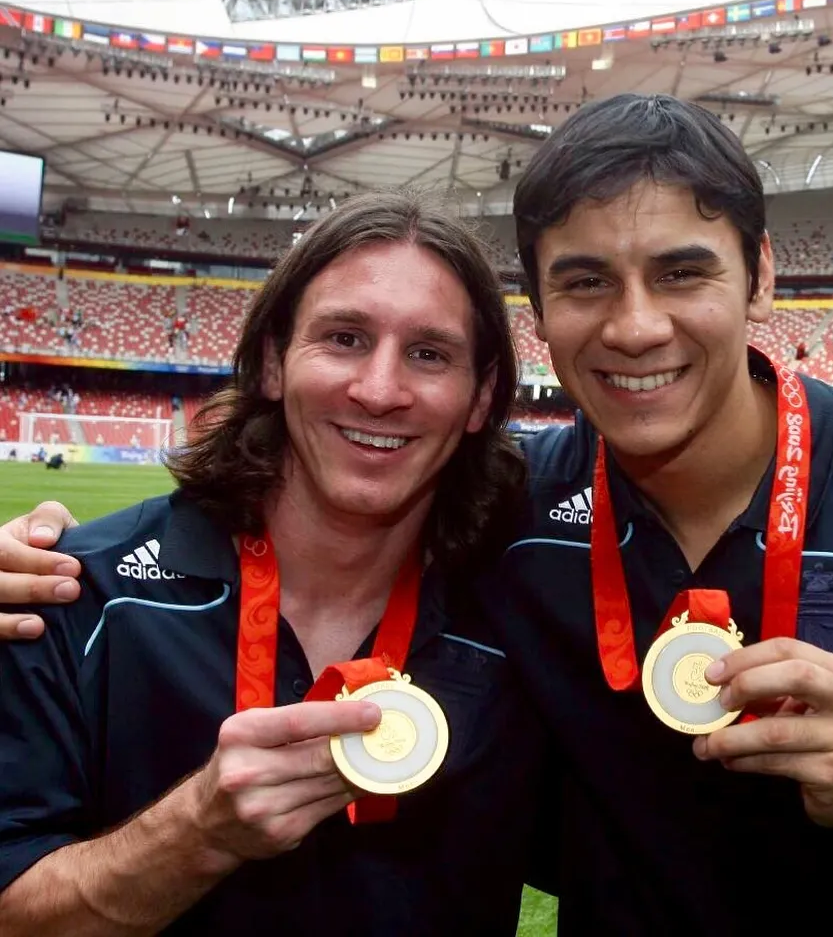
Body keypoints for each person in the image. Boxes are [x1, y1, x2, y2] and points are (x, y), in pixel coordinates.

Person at [4, 96, 833, 933]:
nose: (636, 324)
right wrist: (36, 564)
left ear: (761, 274)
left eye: (681, 271)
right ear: (542, 315)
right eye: (585, 283)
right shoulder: (513, 521)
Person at [0, 190, 543, 935]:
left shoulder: (523, 622)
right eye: (345, 338)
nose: (380, 391)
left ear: (480, 399)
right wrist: (196, 831)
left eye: (429, 354)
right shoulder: (71, 595)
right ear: (272, 361)